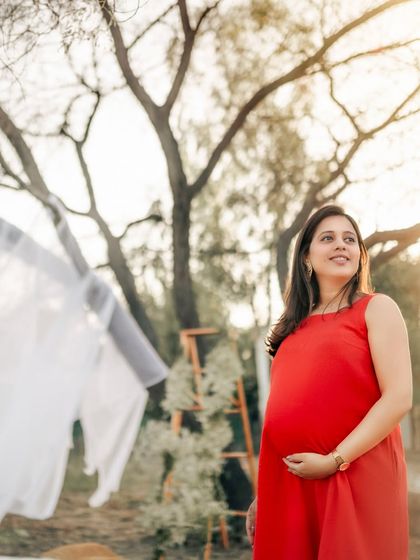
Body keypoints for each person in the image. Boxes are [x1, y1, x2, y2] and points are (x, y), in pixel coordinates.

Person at [246, 205, 412, 559]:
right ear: (306, 255)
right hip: (292, 484)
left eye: (350, 239)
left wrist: (335, 460)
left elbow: (398, 398)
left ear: (359, 255)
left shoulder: (376, 308)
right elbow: (283, 412)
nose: (341, 245)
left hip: (356, 472)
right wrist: (266, 493)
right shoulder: (291, 329)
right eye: (328, 238)